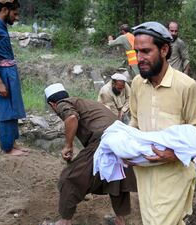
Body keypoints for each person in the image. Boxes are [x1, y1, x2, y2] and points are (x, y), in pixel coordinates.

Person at [128, 21, 196, 225]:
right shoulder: (136, 84)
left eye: (145, 51)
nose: (139, 58)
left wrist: (174, 154)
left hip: (174, 172)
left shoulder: (187, 86)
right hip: (144, 171)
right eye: (137, 52)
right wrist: (124, 147)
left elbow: (195, 133)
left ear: (164, 49)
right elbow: (135, 121)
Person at [44, 83, 136, 225]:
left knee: (69, 178)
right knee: (116, 179)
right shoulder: (83, 102)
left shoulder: (62, 104)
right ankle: (120, 221)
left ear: (52, 104)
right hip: (123, 140)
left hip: (105, 140)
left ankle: (64, 222)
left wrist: (68, 146)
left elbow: (71, 118)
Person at [0, 0, 28, 156]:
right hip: (1, 73)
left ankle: (13, 143)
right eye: (15, 14)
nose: (17, 18)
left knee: (14, 108)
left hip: (10, 72)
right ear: (5, 10)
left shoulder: (2, 26)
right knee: (5, 110)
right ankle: (7, 148)